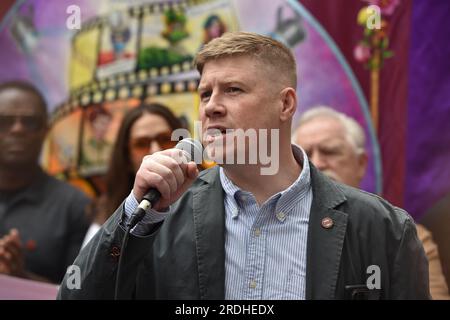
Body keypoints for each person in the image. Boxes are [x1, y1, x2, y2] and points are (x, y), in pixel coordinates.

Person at [58, 32, 429, 299]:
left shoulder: (383, 229)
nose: (211, 107)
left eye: (233, 90)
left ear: (285, 105)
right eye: (205, 94)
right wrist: (133, 215)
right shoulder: (161, 214)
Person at [292, 106, 449, 299]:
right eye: (306, 155)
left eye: (330, 152)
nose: (317, 163)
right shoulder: (278, 228)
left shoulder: (399, 234)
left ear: (361, 163)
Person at [0, 80, 91, 284]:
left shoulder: (75, 206)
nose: (17, 130)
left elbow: (78, 290)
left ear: (46, 130)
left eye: (30, 122)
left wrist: (20, 278)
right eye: (4, 122)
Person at [82, 103, 183, 247]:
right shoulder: (107, 214)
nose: (156, 151)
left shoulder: (207, 196)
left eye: (165, 139)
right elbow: (90, 268)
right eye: (141, 144)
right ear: (127, 157)